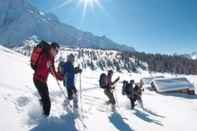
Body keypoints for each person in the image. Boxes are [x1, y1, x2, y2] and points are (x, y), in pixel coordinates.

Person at [32, 41, 63, 117]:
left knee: (45, 98)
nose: (57, 53)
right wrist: (46, 66)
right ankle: (45, 119)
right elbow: (39, 70)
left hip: (43, 81)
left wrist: (61, 77)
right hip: (38, 80)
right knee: (47, 102)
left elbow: (53, 72)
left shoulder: (51, 58)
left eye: (57, 51)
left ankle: (39, 110)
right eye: (56, 50)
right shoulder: (45, 55)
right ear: (52, 49)